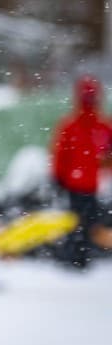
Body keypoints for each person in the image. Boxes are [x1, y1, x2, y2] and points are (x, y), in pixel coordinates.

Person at [50, 75, 112, 268]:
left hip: (87, 184)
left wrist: (58, 176)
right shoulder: (79, 126)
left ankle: (78, 255)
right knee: (81, 222)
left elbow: (60, 154)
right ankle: (78, 256)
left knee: (80, 222)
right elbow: (60, 154)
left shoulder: (82, 126)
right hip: (82, 184)